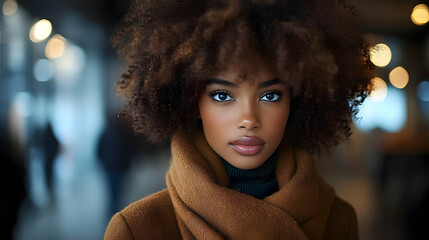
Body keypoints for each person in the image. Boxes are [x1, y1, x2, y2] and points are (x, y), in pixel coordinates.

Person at [105, 0, 373, 239]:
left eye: (270, 96)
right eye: (222, 96)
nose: (248, 119)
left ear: (298, 101)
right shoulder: (136, 229)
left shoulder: (339, 219)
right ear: (190, 100)